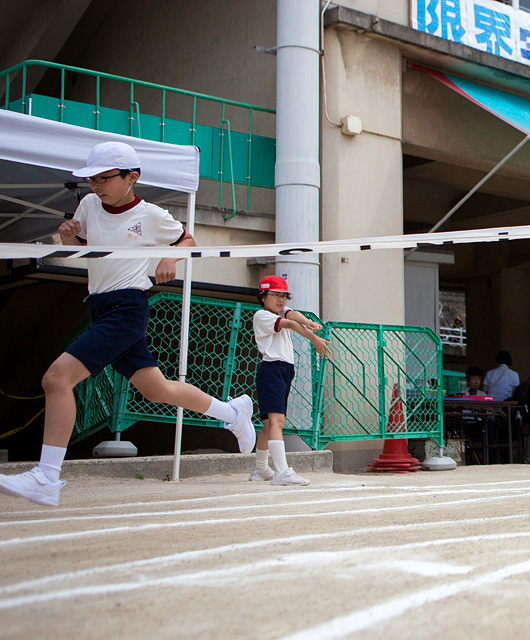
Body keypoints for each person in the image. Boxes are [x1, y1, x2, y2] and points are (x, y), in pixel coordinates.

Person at [0, 141, 256, 507]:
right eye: (92, 179)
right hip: (100, 305)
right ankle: (232, 412)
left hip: (127, 308)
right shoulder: (89, 205)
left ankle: (46, 477)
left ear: (132, 177)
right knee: (157, 389)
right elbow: (83, 246)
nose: (96, 185)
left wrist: (170, 257)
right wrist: (69, 235)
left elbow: (187, 239)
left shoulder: (151, 215)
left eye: (104, 178)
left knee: (56, 379)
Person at [248, 276, 332, 486]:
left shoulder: (280, 311)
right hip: (272, 369)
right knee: (277, 422)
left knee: (269, 424)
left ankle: (260, 469)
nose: (281, 300)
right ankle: (282, 472)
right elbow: (291, 323)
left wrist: (308, 322)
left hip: (283, 370)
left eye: (284, 296)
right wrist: (314, 338)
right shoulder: (262, 315)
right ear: (263, 296)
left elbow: (293, 314)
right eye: (275, 295)